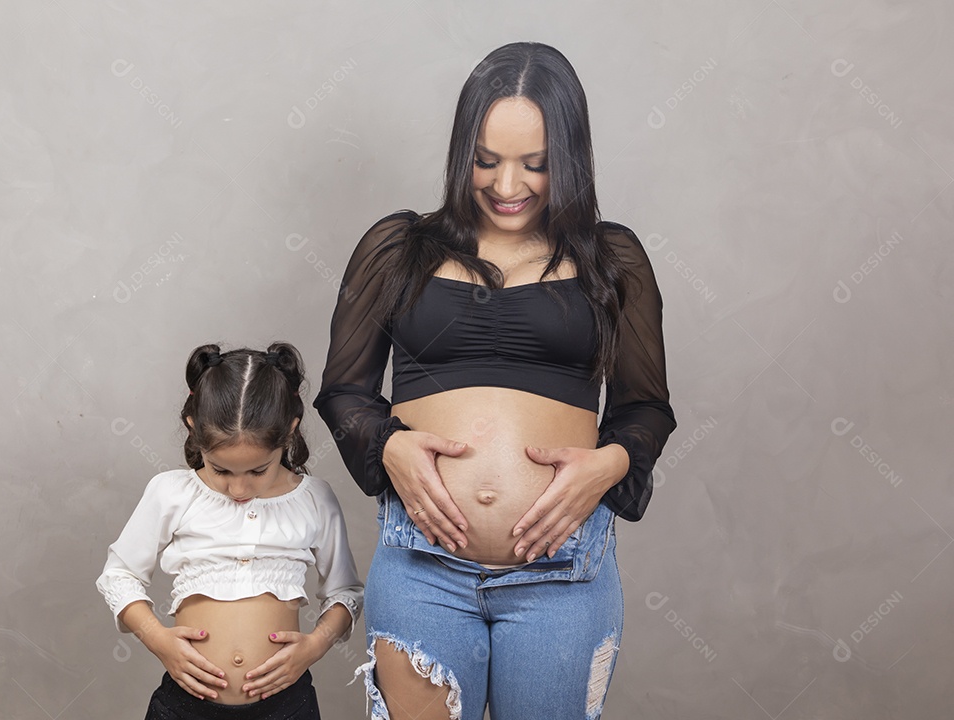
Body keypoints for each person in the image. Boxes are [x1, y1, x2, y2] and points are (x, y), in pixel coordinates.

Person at [313, 42, 676, 720]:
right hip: (421, 565)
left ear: (571, 158)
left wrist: (608, 466)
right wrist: (389, 445)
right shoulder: (398, 249)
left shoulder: (613, 260)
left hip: (564, 571)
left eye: (536, 164)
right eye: (487, 160)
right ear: (462, 153)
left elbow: (646, 408)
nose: (508, 186)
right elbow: (344, 393)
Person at [97, 342, 364, 720]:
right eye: (221, 470)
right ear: (194, 429)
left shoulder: (315, 499)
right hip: (185, 706)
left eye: (257, 470)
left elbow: (345, 593)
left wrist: (314, 646)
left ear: (290, 432)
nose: (239, 489)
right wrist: (158, 640)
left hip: (287, 706)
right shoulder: (171, 492)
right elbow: (119, 575)